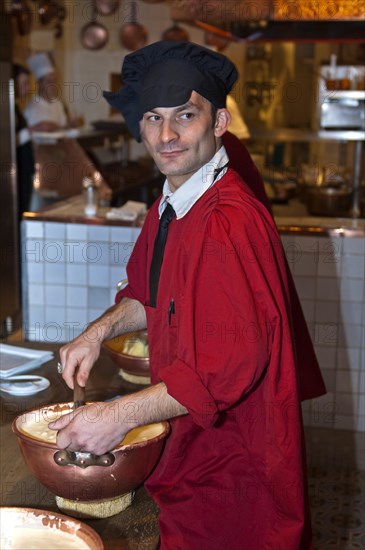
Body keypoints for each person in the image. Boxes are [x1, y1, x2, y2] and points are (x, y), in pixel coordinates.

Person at [51, 41, 317, 549]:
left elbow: (231, 364)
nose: (167, 135)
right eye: (154, 117)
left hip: (234, 464)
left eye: (185, 116)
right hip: (193, 448)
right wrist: (97, 331)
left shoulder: (227, 220)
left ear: (219, 123)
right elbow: (149, 293)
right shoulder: (174, 203)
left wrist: (118, 417)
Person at [24, 52, 76, 132]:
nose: (53, 85)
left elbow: (64, 130)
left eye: (54, 81)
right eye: (49, 81)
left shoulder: (58, 103)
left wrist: (72, 125)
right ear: (39, 83)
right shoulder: (31, 108)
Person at [13, 63, 35, 217]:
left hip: (24, 173)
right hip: (16, 173)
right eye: (24, 84)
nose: (27, 89)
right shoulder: (7, 108)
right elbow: (7, 141)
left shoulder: (15, 106)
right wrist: (33, 131)